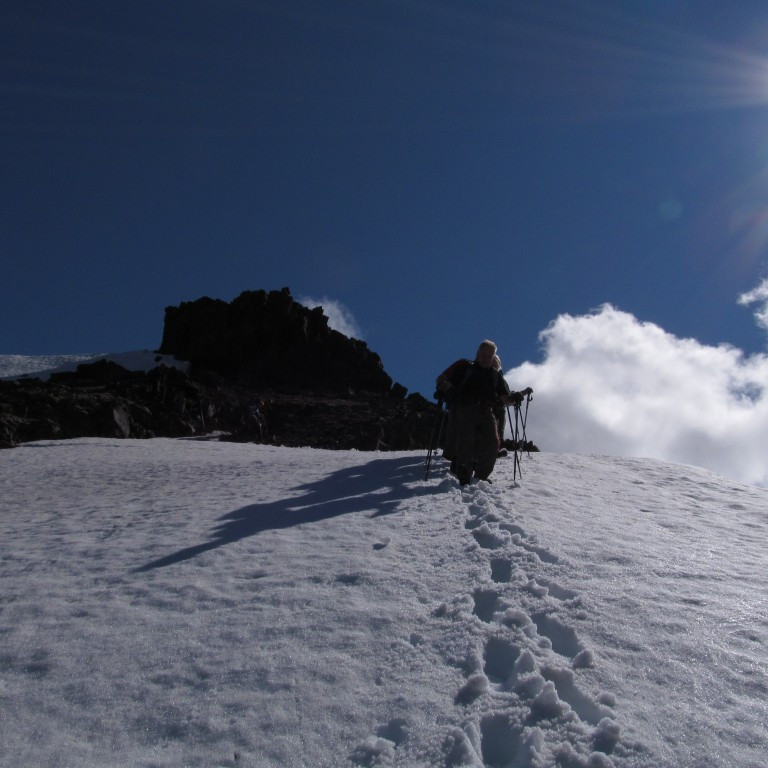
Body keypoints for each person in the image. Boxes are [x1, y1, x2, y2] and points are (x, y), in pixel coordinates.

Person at [435, 340, 515, 485]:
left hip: (487, 410)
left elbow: (505, 399)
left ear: (493, 357)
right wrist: (450, 391)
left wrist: (513, 398)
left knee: (493, 442)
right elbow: (441, 379)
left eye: (489, 356)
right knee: (466, 437)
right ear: (477, 354)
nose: (486, 358)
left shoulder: (495, 375)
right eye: (483, 354)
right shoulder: (465, 367)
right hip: (465, 407)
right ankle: (464, 470)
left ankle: (481, 475)